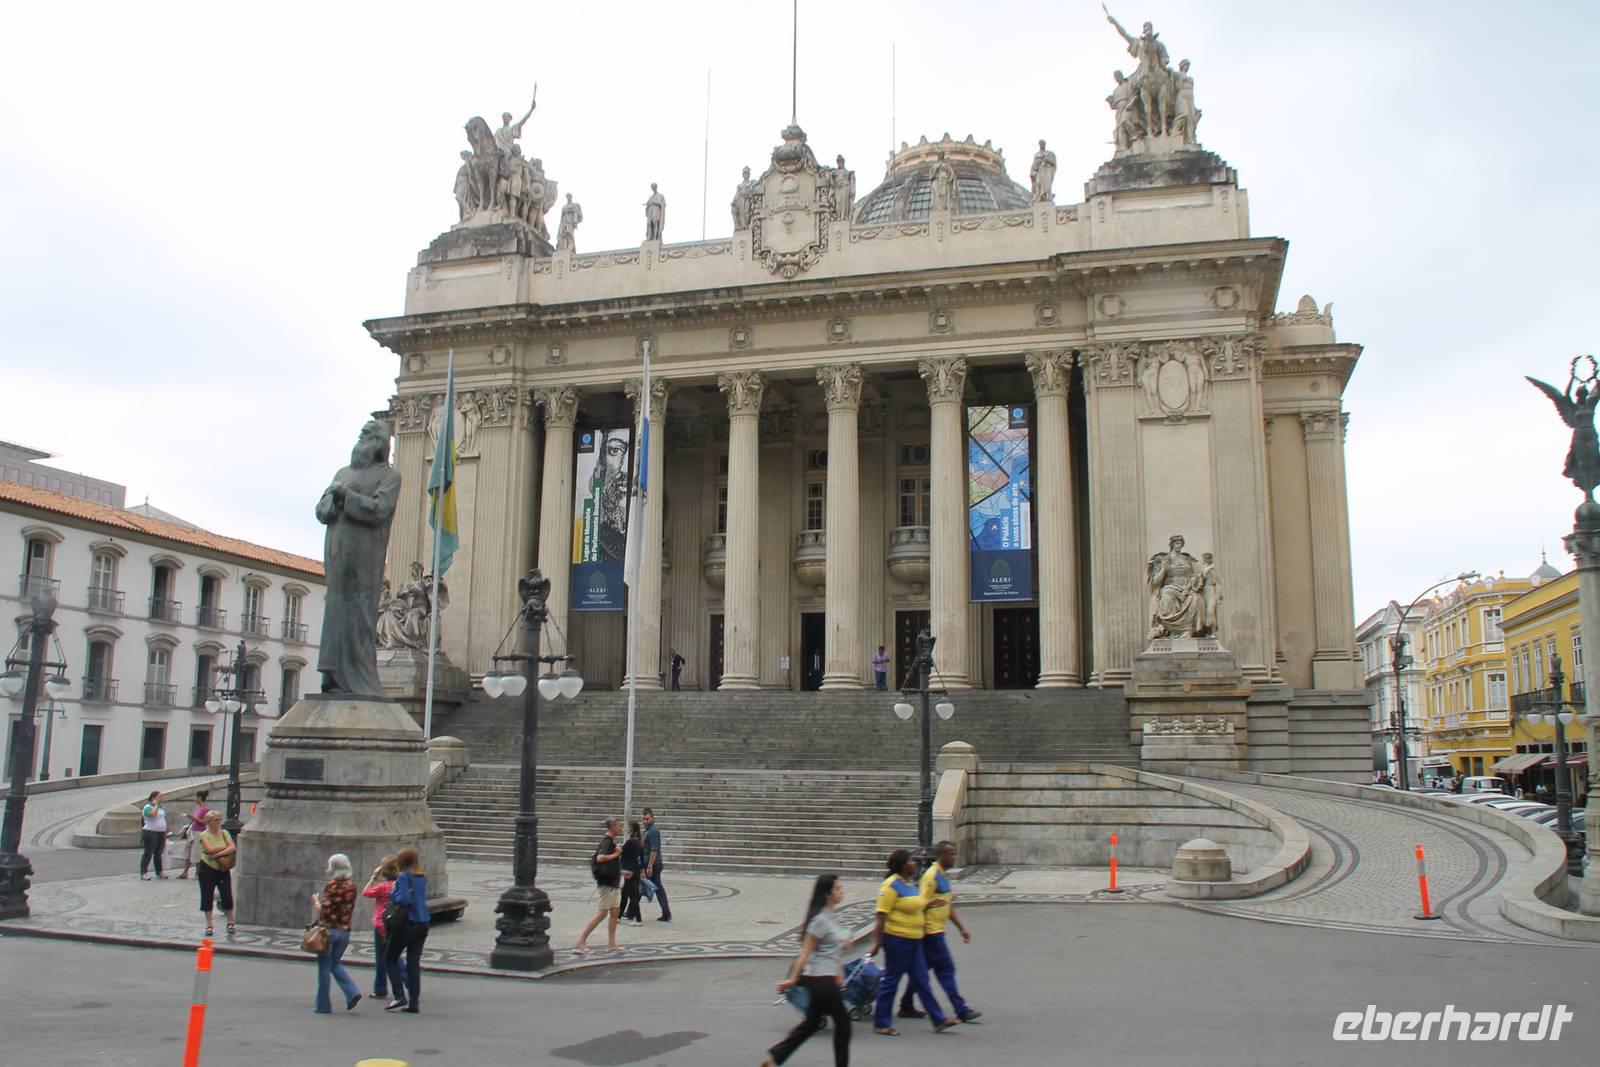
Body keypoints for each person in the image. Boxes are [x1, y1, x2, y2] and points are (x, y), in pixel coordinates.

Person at [762, 874, 855, 1067]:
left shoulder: (831, 917)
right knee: (843, 1025)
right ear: (827, 894)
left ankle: (774, 1059)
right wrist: (792, 980)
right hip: (821, 980)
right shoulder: (819, 920)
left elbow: (831, 952)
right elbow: (805, 953)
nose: (842, 892)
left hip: (826, 978)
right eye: (838, 889)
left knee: (811, 1024)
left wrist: (838, 972)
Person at [869, 849, 955, 1036]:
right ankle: (881, 1023)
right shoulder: (890, 885)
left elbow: (915, 905)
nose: (915, 863)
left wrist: (930, 904)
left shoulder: (909, 884)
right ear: (902, 865)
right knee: (891, 980)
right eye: (910, 860)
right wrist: (878, 943)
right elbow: (881, 916)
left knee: (922, 980)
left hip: (915, 940)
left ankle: (938, 1020)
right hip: (897, 940)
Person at [897, 841, 980, 1023]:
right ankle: (961, 1009)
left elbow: (947, 905)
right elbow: (920, 903)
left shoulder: (942, 875)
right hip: (931, 932)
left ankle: (906, 1004)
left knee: (921, 971)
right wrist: (925, 919)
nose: (954, 857)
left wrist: (961, 927)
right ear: (941, 855)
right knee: (945, 969)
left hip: (936, 930)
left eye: (954, 853)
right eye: (951, 854)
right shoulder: (931, 876)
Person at [310, 853, 362, 1014]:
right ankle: (352, 992)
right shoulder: (352, 886)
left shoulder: (332, 885)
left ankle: (323, 1005)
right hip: (344, 931)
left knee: (324, 967)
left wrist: (316, 901)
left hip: (328, 931)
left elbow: (324, 910)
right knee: (334, 963)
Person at [384, 847, 431, 1013]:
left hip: (408, 923)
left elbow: (404, 899)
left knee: (390, 957)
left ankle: (399, 995)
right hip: (423, 922)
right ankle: (414, 1002)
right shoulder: (422, 877)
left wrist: (392, 892)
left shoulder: (404, 876)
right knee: (413, 963)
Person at [576, 817, 624, 955]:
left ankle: (612, 944)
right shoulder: (607, 842)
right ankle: (581, 940)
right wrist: (616, 854)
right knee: (602, 913)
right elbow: (600, 858)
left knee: (615, 911)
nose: (621, 828)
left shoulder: (610, 842)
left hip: (612, 883)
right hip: (607, 883)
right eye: (619, 826)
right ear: (612, 827)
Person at [362, 856, 406, 1002]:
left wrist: (374, 876)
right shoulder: (399, 885)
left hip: (381, 923)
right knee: (394, 954)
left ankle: (380, 988)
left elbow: (366, 892)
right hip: (395, 923)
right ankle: (408, 980)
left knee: (381, 957)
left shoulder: (382, 887)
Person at [195, 810, 236, 937]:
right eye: (215, 820)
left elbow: (232, 847)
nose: (218, 822)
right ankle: (209, 924)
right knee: (207, 895)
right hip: (207, 867)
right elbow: (209, 849)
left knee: (226, 894)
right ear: (208, 822)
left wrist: (217, 854)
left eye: (219, 820)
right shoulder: (204, 835)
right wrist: (224, 847)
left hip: (222, 868)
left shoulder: (224, 833)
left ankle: (230, 922)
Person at [642, 807, 672, 922]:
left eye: (647, 819)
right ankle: (631, 910)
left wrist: (650, 866)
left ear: (652, 818)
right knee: (644, 886)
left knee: (655, 887)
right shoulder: (648, 830)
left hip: (653, 864)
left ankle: (666, 912)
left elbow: (654, 850)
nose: (645, 821)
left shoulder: (653, 831)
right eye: (644, 819)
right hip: (650, 863)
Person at [178, 790, 211, 879]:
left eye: (196, 797)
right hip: (193, 831)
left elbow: (205, 822)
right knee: (189, 852)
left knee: (197, 853)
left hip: (198, 833)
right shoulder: (200, 808)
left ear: (199, 798)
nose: (195, 799)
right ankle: (185, 872)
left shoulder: (205, 809)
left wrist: (192, 818)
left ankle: (198, 873)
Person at [620, 820, 645, 926]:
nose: (626, 829)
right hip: (635, 869)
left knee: (632, 895)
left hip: (629, 870)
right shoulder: (639, 841)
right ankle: (618, 916)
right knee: (625, 893)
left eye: (628, 827)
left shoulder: (631, 842)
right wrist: (642, 869)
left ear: (632, 829)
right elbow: (642, 857)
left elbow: (622, 852)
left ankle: (638, 919)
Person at [139, 791, 167, 880]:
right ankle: (144, 872)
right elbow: (153, 814)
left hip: (161, 832)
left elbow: (162, 818)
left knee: (158, 853)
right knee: (148, 852)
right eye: (159, 797)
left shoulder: (161, 807)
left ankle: (159, 871)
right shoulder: (147, 807)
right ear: (153, 798)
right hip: (150, 831)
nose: (161, 799)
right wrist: (155, 805)